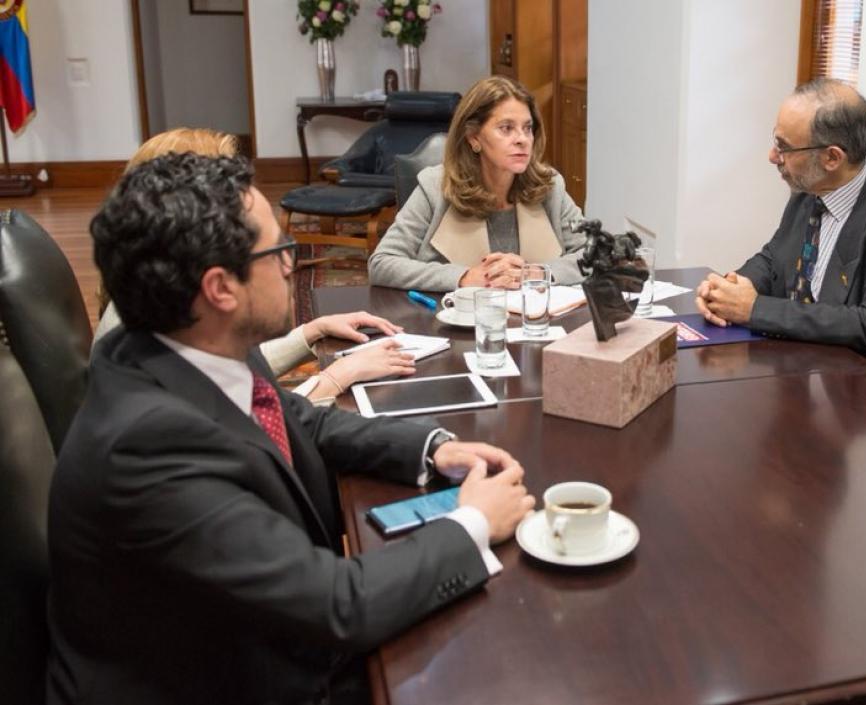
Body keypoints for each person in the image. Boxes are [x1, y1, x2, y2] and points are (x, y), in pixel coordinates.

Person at [47, 153, 536, 705]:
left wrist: (432, 449)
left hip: (251, 640)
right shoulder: (145, 447)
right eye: (279, 250)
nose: (291, 265)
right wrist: (473, 524)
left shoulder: (185, 341)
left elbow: (292, 415)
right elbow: (336, 607)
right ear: (220, 288)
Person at [92, 127, 413, 403]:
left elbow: (234, 373)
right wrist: (336, 378)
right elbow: (242, 424)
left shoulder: (152, 285)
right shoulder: (150, 339)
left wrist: (311, 333)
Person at [695, 79, 866, 386]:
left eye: (784, 147)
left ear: (832, 158)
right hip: (800, 377)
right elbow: (773, 259)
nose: (772, 156)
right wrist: (730, 288)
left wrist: (754, 309)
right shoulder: (810, 192)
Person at [368, 76, 586, 292]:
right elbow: (382, 263)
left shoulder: (549, 186)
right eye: (506, 128)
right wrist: (463, 277)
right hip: (452, 320)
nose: (522, 139)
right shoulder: (436, 187)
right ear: (474, 137)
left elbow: (593, 256)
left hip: (536, 320)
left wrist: (539, 273)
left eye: (527, 128)